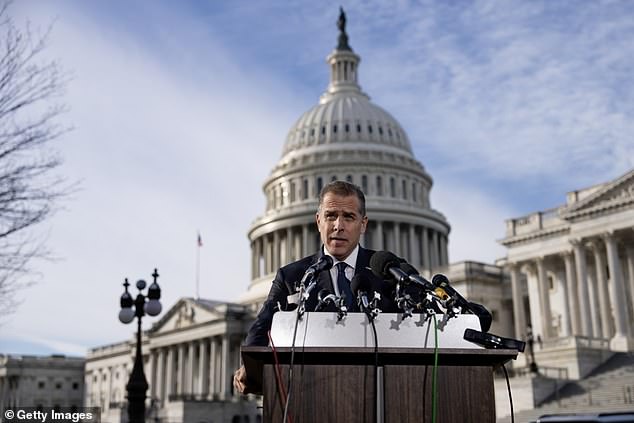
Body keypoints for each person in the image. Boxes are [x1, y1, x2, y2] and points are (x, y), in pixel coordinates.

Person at [233, 180, 396, 394]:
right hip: (310, 393)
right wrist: (252, 366)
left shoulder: (388, 271)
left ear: (363, 224)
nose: (338, 225)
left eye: (348, 216)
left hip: (378, 393)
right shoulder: (292, 276)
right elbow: (262, 328)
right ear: (318, 221)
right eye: (331, 216)